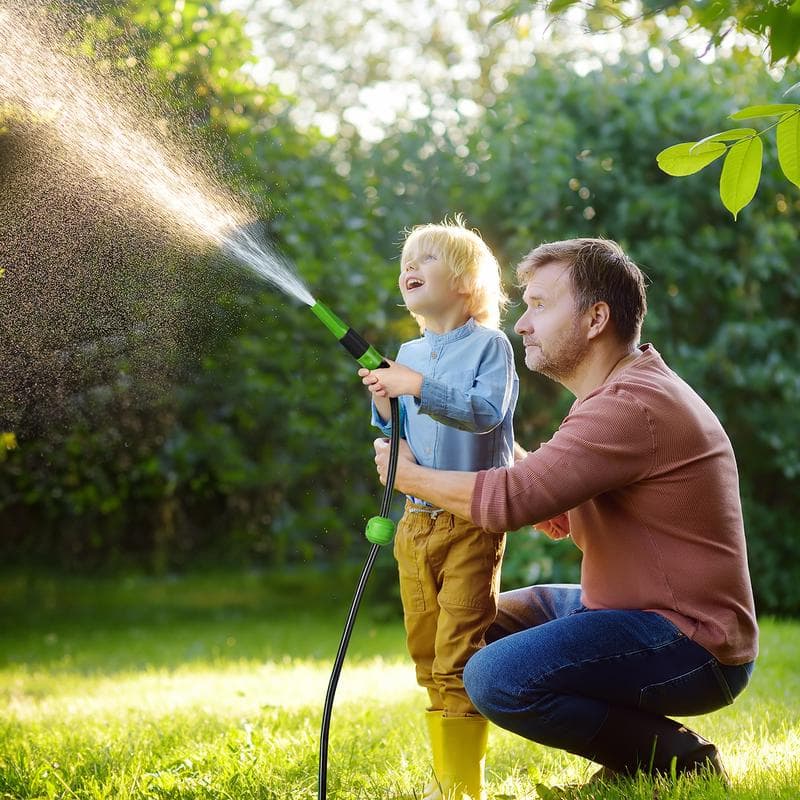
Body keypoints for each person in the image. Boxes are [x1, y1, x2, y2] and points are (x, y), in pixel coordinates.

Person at [371, 237, 758, 794]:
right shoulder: (611, 397)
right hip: (629, 610)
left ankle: (672, 757)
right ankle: (633, 752)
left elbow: (513, 502)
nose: (522, 324)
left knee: (492, 674)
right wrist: (492, 454)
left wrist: (408, 477)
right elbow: (556, 508)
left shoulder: (630, 407)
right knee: (475, 620)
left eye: (540, 305)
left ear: (596, 317)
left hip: (690, 643)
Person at [359, 216, 519, 800]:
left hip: (471, 522)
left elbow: (484, 413)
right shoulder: (407, 351)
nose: (410, 266)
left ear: (467, 284)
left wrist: (415, 385)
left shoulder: (490, 345)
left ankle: (462, 790)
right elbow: (397, 426)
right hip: (415, 522)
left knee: (458, 653)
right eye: (407, 259)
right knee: (426, 652)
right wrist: (384, 401)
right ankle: (449, 781)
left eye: (427, 258)